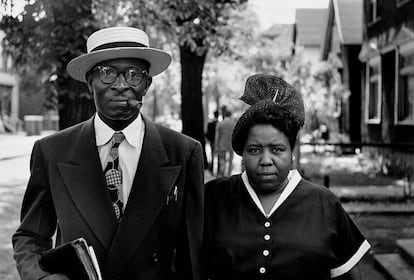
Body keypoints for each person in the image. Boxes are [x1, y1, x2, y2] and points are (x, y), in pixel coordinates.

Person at [12, 27, 205, 280]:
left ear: (146, 84)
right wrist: (41, 277)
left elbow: (192, 254)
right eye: (107, 73)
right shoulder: (51, 152)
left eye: (134, 75)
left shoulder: (183, 152)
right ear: (89, 82)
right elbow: (31, 236)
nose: (121, 85)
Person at [204, 74, 370, 280]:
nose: (266, 160)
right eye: (255, 150)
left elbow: (349, 275)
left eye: (277, 149)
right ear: (243, 153)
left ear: (291, 151)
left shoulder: (324, 203)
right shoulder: (214, 197)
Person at [214, 109, 235, 176]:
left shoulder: (220, 124)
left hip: (221, 145)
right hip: (231, 146)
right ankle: (228, 175)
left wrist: (216, 146)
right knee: (230, 163)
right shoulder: (233, 125)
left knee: (222, 162)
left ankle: (222, 175)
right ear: (230, 115)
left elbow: (217, 137)